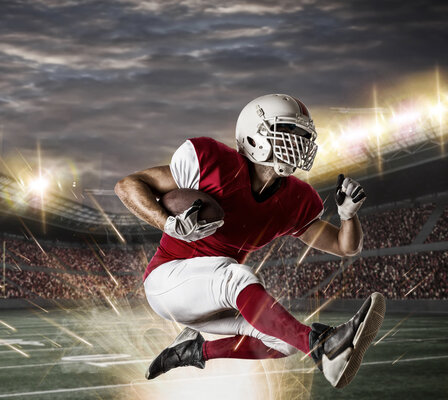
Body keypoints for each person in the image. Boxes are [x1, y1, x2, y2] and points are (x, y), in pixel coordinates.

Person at [115, 94, 385, 389]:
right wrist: (167, 223)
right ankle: (322, 347)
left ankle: (192, 351)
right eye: (289, 131)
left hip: (213, 296)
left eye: (304, 136)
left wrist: (348, 216)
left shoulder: (294, 198)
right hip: (167, 281)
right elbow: (128, 185)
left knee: (282, 342)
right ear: (255, 135)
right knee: (234, 276)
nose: (300, 142)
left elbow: (345, 246)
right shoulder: (214, 163)